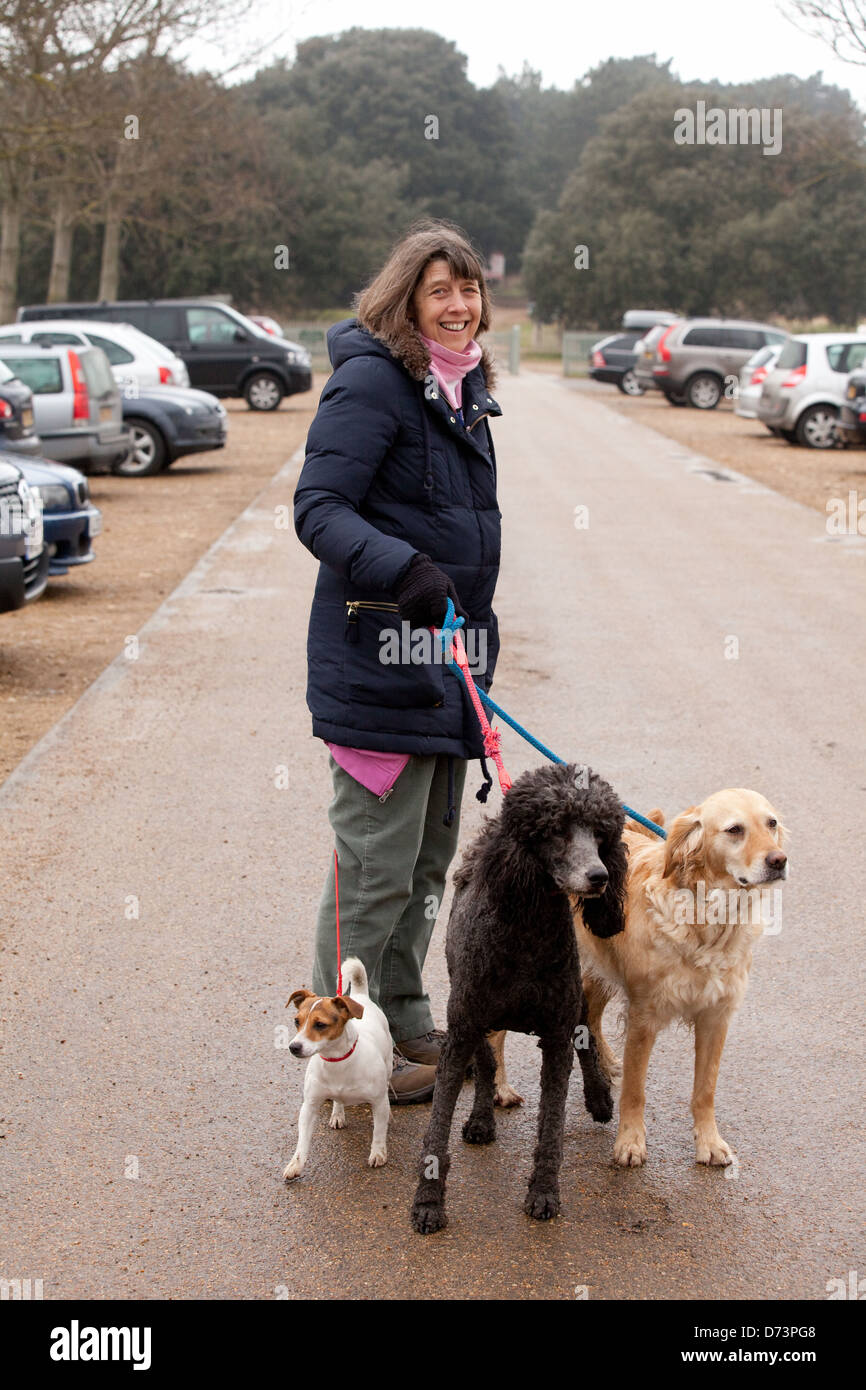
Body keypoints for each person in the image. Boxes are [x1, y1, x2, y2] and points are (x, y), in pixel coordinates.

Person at [293, 218, 502, 1103]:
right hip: (379, 663)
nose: (459, 306)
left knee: (424, 869)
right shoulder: (374, 384)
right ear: (407, 301)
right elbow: (319, 508)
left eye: (469, 289)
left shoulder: (465, 391)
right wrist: (403, 567)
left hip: (444, 669)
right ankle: (337, 1053)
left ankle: (405, 1022)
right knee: (374, 872)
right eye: (439, 291)